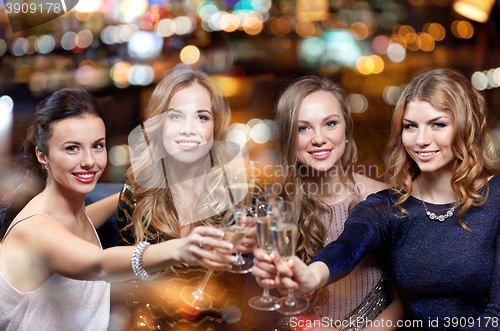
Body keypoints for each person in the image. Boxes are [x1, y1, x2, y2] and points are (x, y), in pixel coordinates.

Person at [254, 68, 500, 330]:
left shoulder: (495, 198)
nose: (421, 140)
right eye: (410, 126)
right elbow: (346, 248)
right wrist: (311, 275)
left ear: (465, 125)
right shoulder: (385, 205)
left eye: (437, 124)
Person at [0, 88, 236, 331]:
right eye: (72, 148)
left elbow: (81, 222)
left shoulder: (67, 217)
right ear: (43, 155)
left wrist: (147, 186)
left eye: (97, 146)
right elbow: (99, 264)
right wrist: (181, 248)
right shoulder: (35, 229)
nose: (89, 161)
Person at [116, 68, 257, 330]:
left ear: (216, 127)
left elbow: (266, 286)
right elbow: (130, 290)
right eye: (176, 117)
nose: (189, 130)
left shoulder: (244, 195)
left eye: (202, 117)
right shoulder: (134, 197)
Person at [255, 76, 389, 330]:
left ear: (346, 130)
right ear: (289, 139)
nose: (319, 138)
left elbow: (409, 294)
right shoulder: (275, 207)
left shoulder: (385, 199)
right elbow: (282, 295)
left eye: (330, 123)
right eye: (303, 128)